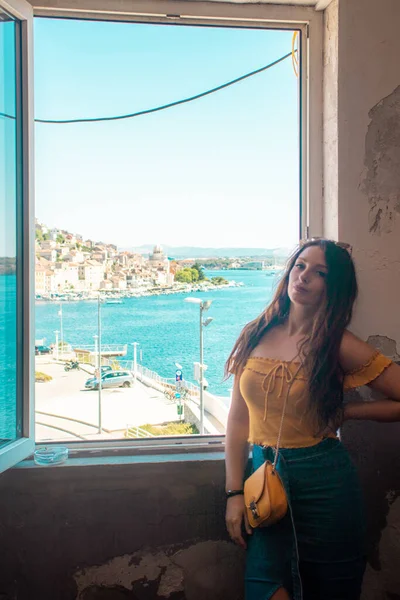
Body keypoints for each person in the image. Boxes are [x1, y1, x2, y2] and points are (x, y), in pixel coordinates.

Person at [224, 238, 400, 600]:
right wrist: (233, 493)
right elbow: (237, 421)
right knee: (264, 586)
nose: (303, 277)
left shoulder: (338, 344)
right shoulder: (256, 332)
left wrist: (348, 411)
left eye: (319, 272)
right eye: (300, 265)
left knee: (332, 588)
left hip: (325, 482)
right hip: (264, 477)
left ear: (332, 287)